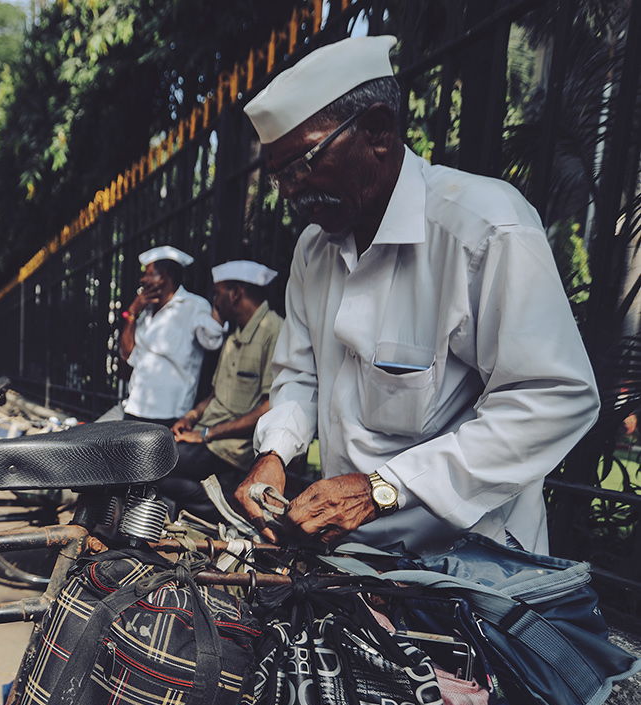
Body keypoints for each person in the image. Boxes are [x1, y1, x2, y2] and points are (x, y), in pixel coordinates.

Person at [234, 35, 599, 557]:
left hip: (467, 560)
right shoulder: (313, 252)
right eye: (279, 177)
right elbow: (300, 374)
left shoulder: (485, 229)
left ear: (378, 130)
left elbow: (555, 397)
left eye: (303, 164)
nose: (290, 190)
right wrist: (274, 452)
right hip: (352, 555)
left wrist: (384, 489)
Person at [159, 260, 283, 518]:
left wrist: (206, 434)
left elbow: (269, 408)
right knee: (152, 459)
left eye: (217, 294)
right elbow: (215, 394)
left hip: (228, 447)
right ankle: (216, 502)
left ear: (235, 293)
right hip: (208, 437)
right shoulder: (235, 333)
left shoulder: (274, 331)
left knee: (156, 464)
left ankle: (225, 502)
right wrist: (190, 417)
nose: (214, 302)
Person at [115, 246, 226, 426]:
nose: (142, 279)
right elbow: (127, 353)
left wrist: (218, 299)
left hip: (168, 414)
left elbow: (212, 341)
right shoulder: (146, 310)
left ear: (162, 276)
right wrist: (132, 312)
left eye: (147, 274)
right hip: (134, 407)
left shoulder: (194, 305)